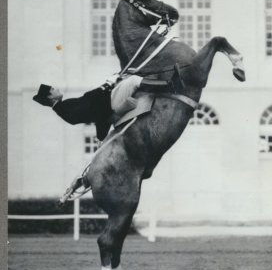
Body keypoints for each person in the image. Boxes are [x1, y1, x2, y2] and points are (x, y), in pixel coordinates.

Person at [33, 72, 181, 203]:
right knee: (133, 80)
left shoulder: (64, 107)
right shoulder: (65, 110)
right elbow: (94, 108)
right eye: (53, 89)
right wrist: (107, 85)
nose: (56, 89)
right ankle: (170, 85)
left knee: (129, 76)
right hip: (110, 103)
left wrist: (108, 84)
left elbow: (90, 101)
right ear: (50, 97)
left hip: (108, 101)